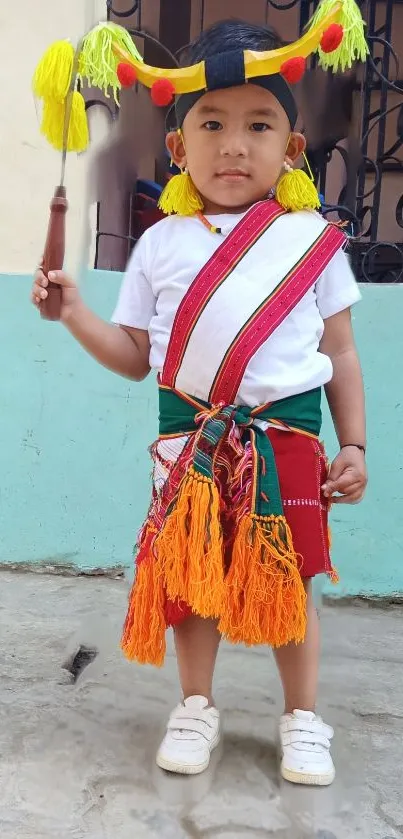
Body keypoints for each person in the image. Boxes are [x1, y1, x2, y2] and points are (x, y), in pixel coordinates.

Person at [32, 18, 367, 786]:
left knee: (292, 582)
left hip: (287, 435)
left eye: (258, 124)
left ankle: (301, 718)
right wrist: (75, 313)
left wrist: (353, 443)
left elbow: (340, 351)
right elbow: (135, 358)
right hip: (188, 442)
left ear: (292, 147)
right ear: (178, 147)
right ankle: (195, 705)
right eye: (210, 123)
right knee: (191, 583)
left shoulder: (312, 238)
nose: (233, 144)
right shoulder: (160, 244)